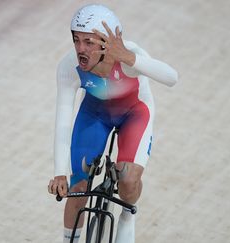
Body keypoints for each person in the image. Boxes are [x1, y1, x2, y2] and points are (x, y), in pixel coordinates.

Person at [48, 4, 178, 243]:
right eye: (76, 40)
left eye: (88, 42)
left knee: (128, 180)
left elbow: (172, 78)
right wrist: (59, 173)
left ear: (107, 42)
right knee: (77, 189)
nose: (80, 49)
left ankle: (128, 217)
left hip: (134, 114)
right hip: (95, 114)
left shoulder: (130, 54)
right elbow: (63, 120)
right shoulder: (69, 67)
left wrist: (129, 57)